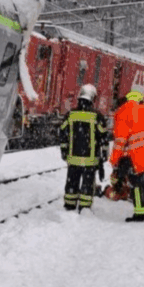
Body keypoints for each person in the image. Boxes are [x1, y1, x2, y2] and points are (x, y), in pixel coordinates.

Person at [109, 90, 144, 222]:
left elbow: (120, 141)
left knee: (138, 187)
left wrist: (114, 160)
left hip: (139, 158)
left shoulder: (124, 112)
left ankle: (141, 215)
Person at [59, 84, 108, 212]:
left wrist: (64, 151)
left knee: (72, 183)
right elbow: (104, 137)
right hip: (90, 160)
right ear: (92, 99)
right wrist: (103, 155)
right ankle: (84, 207)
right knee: (87, 185)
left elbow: (62, 133)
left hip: (73, 158)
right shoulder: (97, 116)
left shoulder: (70, 115)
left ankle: (69, 205)